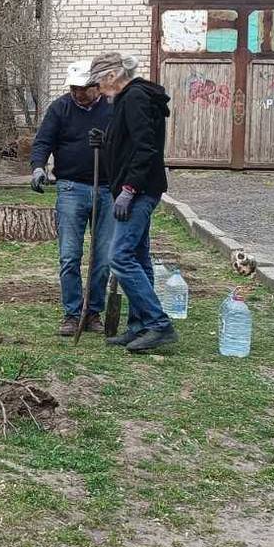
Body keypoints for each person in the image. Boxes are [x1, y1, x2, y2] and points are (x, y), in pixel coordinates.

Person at [87, 52, 177, 353]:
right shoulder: (128, 99)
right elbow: (130, 141)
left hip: (138, 192)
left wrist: (129, 188)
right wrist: (107, 140)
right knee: (138, 257)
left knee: (120, 257)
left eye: (98, 82)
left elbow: (145, 147)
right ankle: (139, 327)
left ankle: (158, 324)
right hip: (138, 190)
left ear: (112, 76)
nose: (97, 89)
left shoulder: (135, 97)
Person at [30, 60, 114, 337]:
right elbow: (43, 141)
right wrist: (39, 167)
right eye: (74, 89)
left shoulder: (113, 109)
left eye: (83, 89)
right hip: (71, 189)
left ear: (97, 87)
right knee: (69, 256)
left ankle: (93, 313)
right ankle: (72, 313)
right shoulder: (60, 108)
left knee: (103, 258)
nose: (78, 94)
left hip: (107, 190)